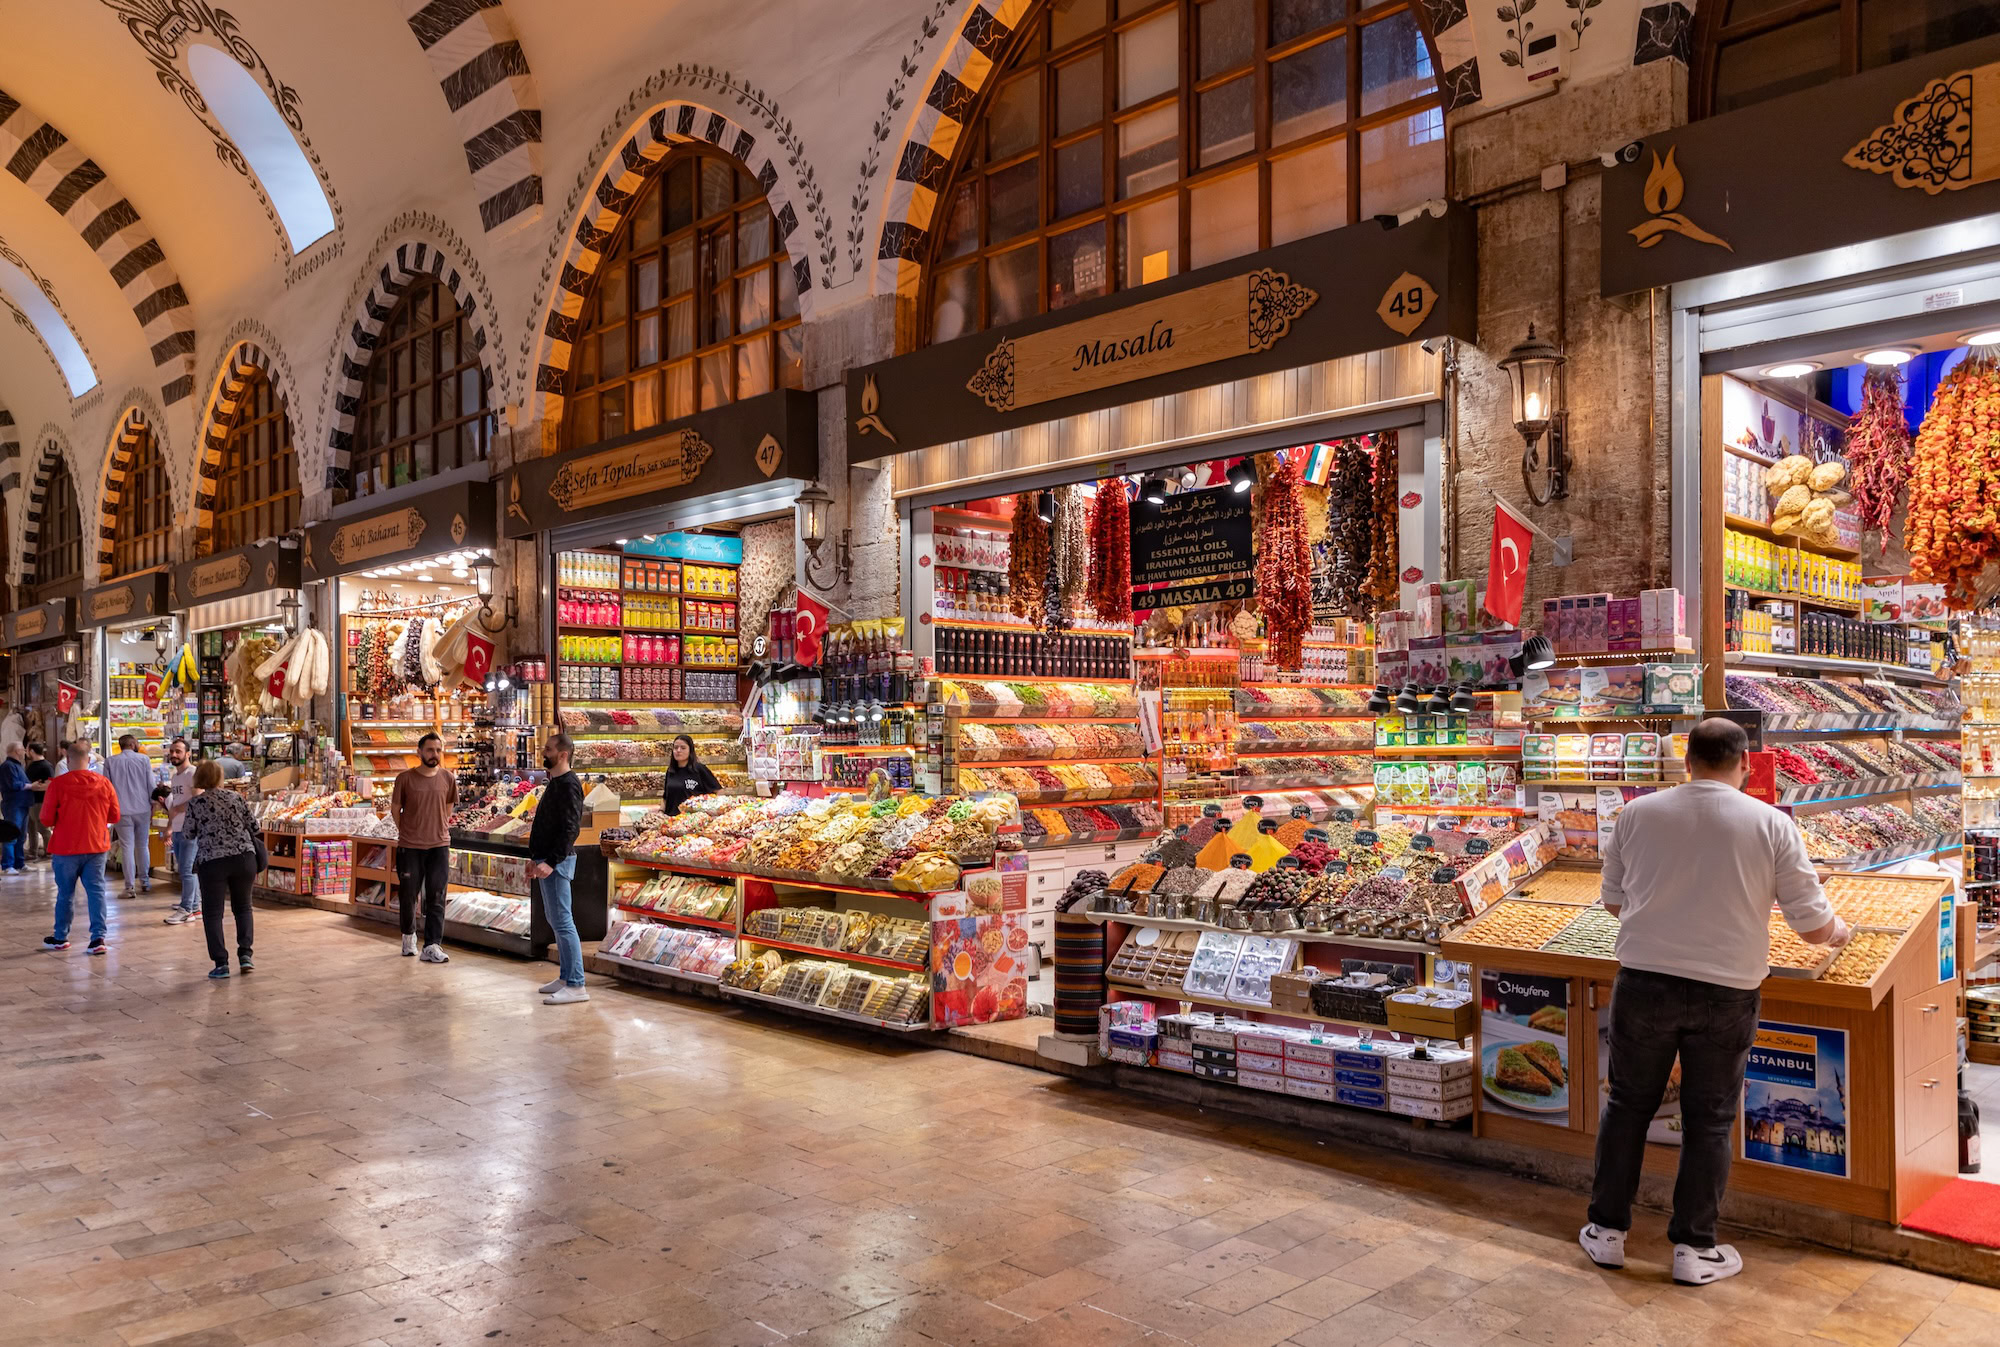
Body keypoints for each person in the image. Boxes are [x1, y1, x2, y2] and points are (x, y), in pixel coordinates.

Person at [1581, 718, 1850, 1288]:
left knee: (1627, 1105)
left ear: (1687, 761)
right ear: (1746, 764)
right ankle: (1693, 1248)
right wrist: (1841, 933)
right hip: (1728, 991)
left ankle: (1606, 1233)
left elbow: (1612, 901)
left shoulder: (1638, 813)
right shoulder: (1771, 824)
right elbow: (1811, 925)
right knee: (1711, 1120)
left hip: (1644, 982)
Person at [181, 759, 260, 978]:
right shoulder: (236, 798)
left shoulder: (196, 803)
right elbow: (255, 826)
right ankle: (246, 955)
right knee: (243, 907)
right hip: (243, 858)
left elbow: (188, 834)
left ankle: (221, 963)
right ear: (220, 777)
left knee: (213, 913)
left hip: (212, 862)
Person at [39, 739, 118, 954]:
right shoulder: (104, 783)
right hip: (97, 845)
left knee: (65, 893)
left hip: (66, 847)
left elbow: (45, 819)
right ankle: (98, 938)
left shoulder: (58, 784)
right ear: (89, 758)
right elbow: (115, 815)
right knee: (97, 892)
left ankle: (61, 936)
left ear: (67, 758)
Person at [529, 732, 589, 1005]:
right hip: (548, 860)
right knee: (556, 920)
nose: (545, 752)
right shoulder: (556, 782)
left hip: (557, 863)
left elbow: (569, 829)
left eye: (549, 749)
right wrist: (536, 857)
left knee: (564, 922)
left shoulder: (568, 785)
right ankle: (566, 977)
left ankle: (576, 985)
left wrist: (551, 861)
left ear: (563, 754)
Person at [391, 732, 457, 963]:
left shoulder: (448, 778)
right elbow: (395, 809)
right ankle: (409, 937)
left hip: (439, 845)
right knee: (409, 894)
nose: (434, 754)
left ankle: (432, 945)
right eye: (430, 750)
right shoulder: (405, 779)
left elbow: (448, 807)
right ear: (419, 752)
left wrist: (437, 828)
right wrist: (409, 832)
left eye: (438, 750)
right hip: (410, 846)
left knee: (437, 895)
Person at [106, 734, 156, 897]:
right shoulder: (144, 760)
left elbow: (107, 788)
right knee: (142, 845)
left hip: (122, 810)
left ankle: (129, 886)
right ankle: (145, 881)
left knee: (127, 846)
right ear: (133, 744)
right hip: (142, 808)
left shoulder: (110, 761)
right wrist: (153, 805)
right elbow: (151, 785)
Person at [161, 739, 199, 924]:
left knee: (187, 870)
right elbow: (174, 805)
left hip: (191, 829)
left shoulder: (193, 773)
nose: (174, 755)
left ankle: (186, 910)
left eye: (178, 751)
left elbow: (199, 799)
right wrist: (169, 826)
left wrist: (178, 809)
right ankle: (196, 906)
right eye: (172, 751)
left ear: (188, 753)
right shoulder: (176, 776)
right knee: (188, 870)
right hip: (177, 828)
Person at [661, 734, 719, 816]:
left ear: (690, 750)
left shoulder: (699, 769)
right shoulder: (670, 771)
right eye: (675, 747)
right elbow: (665, 797)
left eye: (683, 748)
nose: (678, 750)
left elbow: (718, 791)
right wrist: (661, 812)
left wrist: (713, 811)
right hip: (670, 820)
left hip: (692, 821)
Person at [0, 743, 30, 873]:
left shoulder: (18, 766)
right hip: (13, 805)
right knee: (11, 835)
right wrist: (30, 786)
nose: (24, 752)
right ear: (17, 751)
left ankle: (19, 862)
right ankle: (8, 865)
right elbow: (13, 784)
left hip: (22, 804)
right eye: (23, 749)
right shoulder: (7, 766)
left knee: (21, 835)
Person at [24, 741, 52, 862]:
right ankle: (33, 851)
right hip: (30, 800)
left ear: (32, 751)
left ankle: (49, 851)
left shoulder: (46, 765)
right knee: (31, 828)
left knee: (43, 828)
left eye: (27, 749)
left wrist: (35, 787)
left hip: (40, 801)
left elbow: (51, 783)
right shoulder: (31, 765)